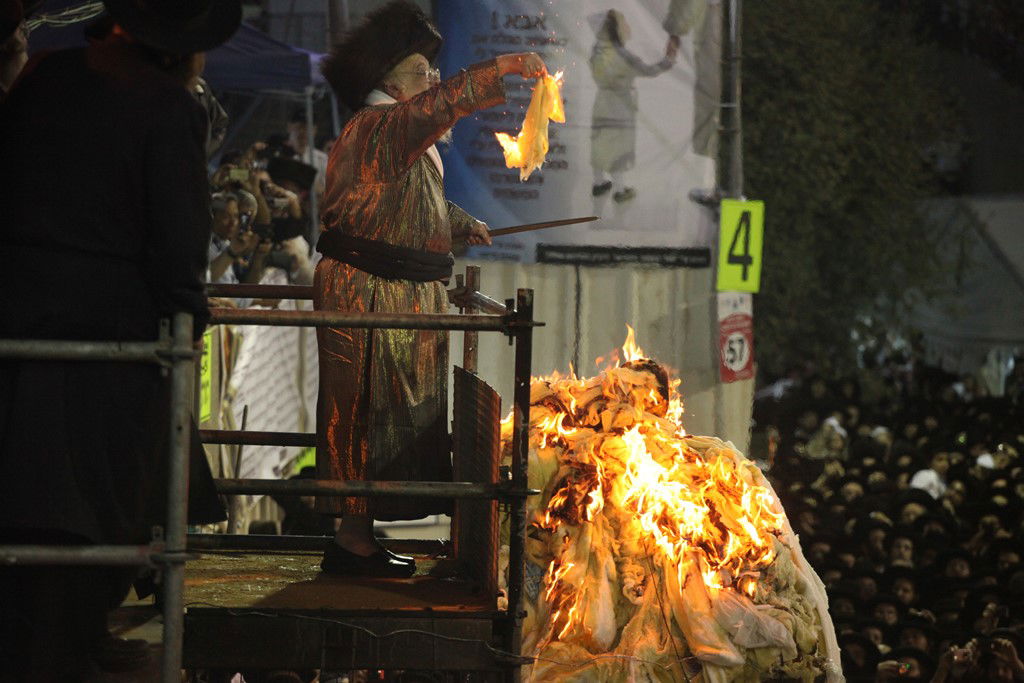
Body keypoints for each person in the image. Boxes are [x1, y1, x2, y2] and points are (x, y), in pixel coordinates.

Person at [0, 0, 239, 677]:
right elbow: (178, 248)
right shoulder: (169, 109)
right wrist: (190, 313)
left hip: (18, 326)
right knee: (95, 511)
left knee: (25, 508)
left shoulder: (47, 75)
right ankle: (75, 642)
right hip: (108, 347)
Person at [315, 0, 544, 577]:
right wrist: (500, 70)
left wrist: (462, 225)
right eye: (424, 73)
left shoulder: (393, 136)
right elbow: (440, 109)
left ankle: (358, 534)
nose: (434, 83)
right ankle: (351, 540)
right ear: (390, 82)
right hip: (370, 294)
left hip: (393, 294)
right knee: (365, 416)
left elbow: (412, 205)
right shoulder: (381, 127)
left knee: (384, 418)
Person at [588, 9, 677, 203]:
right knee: (619, 148)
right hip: (620, 108)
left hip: (601, 104)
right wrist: (668, 59)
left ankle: (598, 183)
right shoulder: (622, 55)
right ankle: (620, 190)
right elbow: (648, 70)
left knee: (599, 144)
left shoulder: (596, 52)